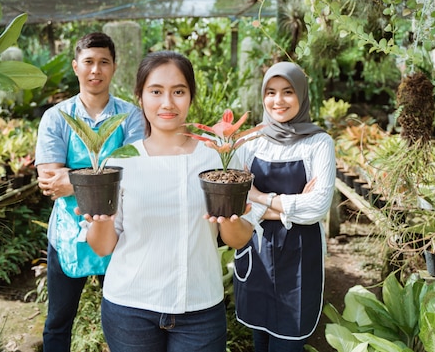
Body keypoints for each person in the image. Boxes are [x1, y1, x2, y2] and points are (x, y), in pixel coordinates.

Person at [82, 50, 254, 352]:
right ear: (140, 97)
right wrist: (99, 220)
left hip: (200, 307)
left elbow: (237, 240)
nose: (167, 103)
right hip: (129, 307)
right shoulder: (122, 160)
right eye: (156, 91)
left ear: (190, 96)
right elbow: (103, 246)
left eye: (178, 92)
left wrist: (233, 220)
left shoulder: (218, 158)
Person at [34, 32, 144, 352]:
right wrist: (107, 178)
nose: (96, 70)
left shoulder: (130, 116)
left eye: (103, 62)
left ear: (114, 67)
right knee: (58, 320)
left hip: (119, 229)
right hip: (68, 231)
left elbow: (138, 171)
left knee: (126, 318)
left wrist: (74, 180)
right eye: (89, 62)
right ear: (76, 67)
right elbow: (51, 180)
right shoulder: (57, 117)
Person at [233, 61, 336, 352]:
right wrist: (289, 207)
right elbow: (236, 202)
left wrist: (260, 197)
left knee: (288, 343)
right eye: (271, 92)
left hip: (300, 255)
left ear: (302, 95)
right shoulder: (250, 141)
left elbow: (317, 207)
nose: (278, 101)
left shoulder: (318, 142)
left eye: (288, 91)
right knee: (260, 338)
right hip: (255, 251)